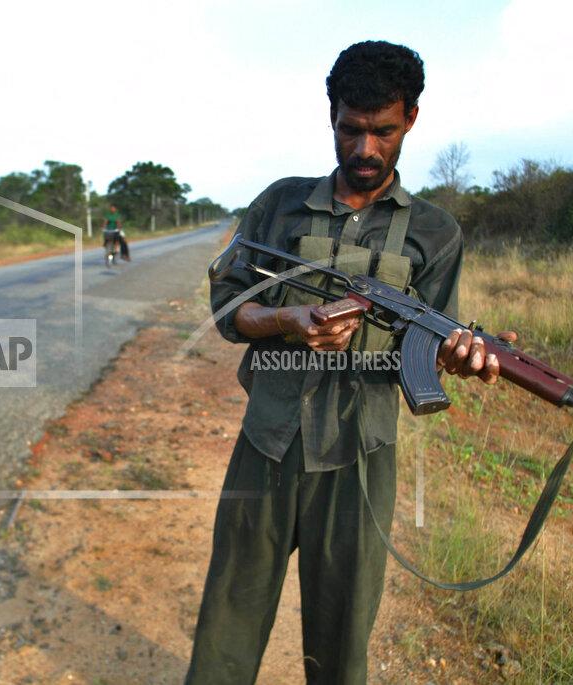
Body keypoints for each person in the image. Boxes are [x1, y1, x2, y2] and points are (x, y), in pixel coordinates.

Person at [186, 41, 516, 684]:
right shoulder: (280, 205)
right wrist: (286, 319)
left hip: (361, 453)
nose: (366, 149)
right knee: (229, 615)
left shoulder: (436, 232)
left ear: (412, 120)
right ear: (331, 116)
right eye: (351, 129)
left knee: (342, 637)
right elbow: (228, 310)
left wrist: (461, 357)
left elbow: (429, 344)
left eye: (383, 131)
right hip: (269, 439)